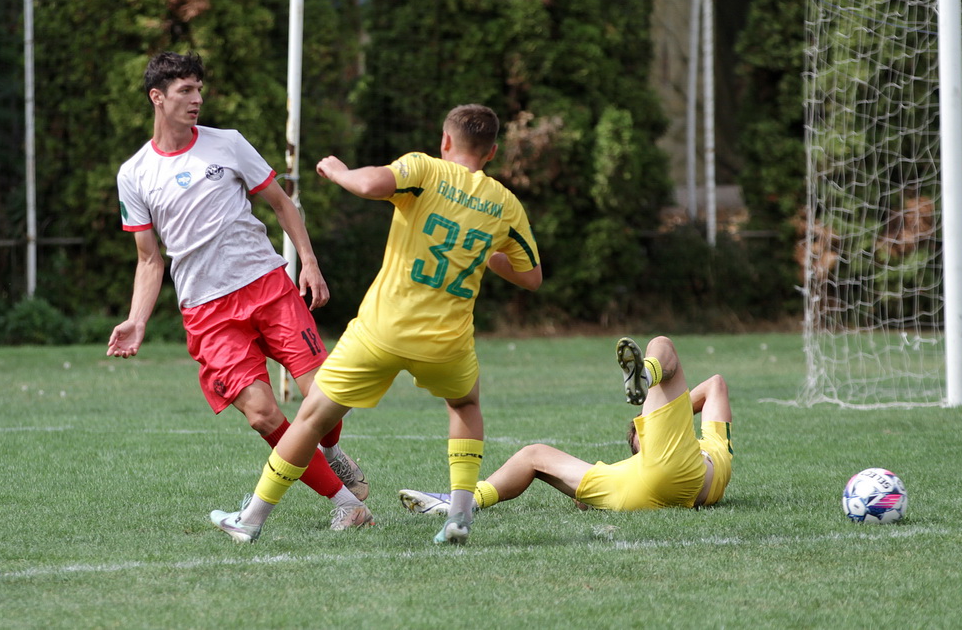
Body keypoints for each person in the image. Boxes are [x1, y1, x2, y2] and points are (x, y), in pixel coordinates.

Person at [210, 104, 542, 545]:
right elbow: (531, 277)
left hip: (383, 330)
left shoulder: (426, 169)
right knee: (464, 406)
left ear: (445, 140)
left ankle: (250, 520)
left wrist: (338, 171)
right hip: (447, 341)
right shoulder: (504, 203)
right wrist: (484, 250)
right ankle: (460, 515)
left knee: (311, 419)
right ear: (492, 152)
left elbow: (368, 184)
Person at [109, 51, 372, 531]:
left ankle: (332, 450)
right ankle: (346, 504)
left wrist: (309, 262)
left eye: (199, 89)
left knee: (324, 395)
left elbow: (282, 204)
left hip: (268, 287)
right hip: (208, 313)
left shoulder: (227, 143)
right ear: (157, 97)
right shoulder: (135, 173)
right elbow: (149, 259)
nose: (197, 99)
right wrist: (137, 320)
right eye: (185, 90)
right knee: (261, 414)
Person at [397, 336, 733, 517]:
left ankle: (464, 503)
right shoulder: (717, 448)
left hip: (632, 492)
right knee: (662, 345)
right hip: (676, 476)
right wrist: (669, 409)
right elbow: (715, 385)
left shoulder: (625, 470)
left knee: (534, 455)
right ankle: (646, 374)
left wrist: (662, 410)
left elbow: (712, 387)